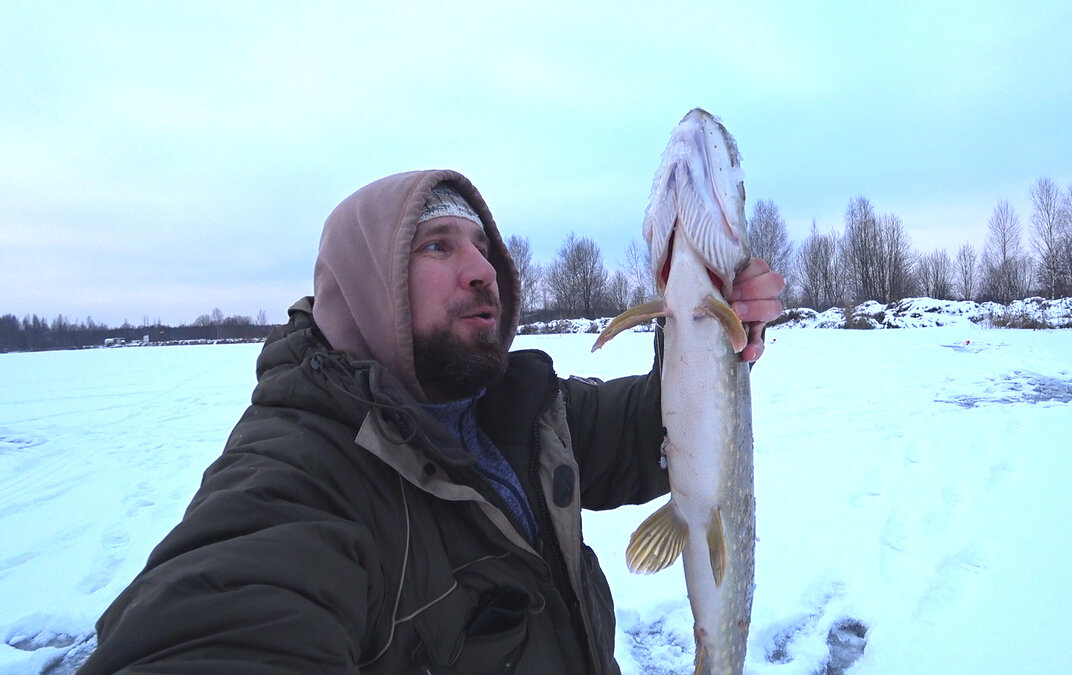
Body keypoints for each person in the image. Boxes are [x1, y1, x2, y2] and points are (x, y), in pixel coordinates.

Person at [80, 169, 784, 674]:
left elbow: (646, 433)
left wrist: (703, 341)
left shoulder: (517, 409)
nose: (483, 269)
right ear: (365, 287)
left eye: (483, 247)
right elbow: (217, 619)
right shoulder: (298, 474)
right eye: (438, 245)